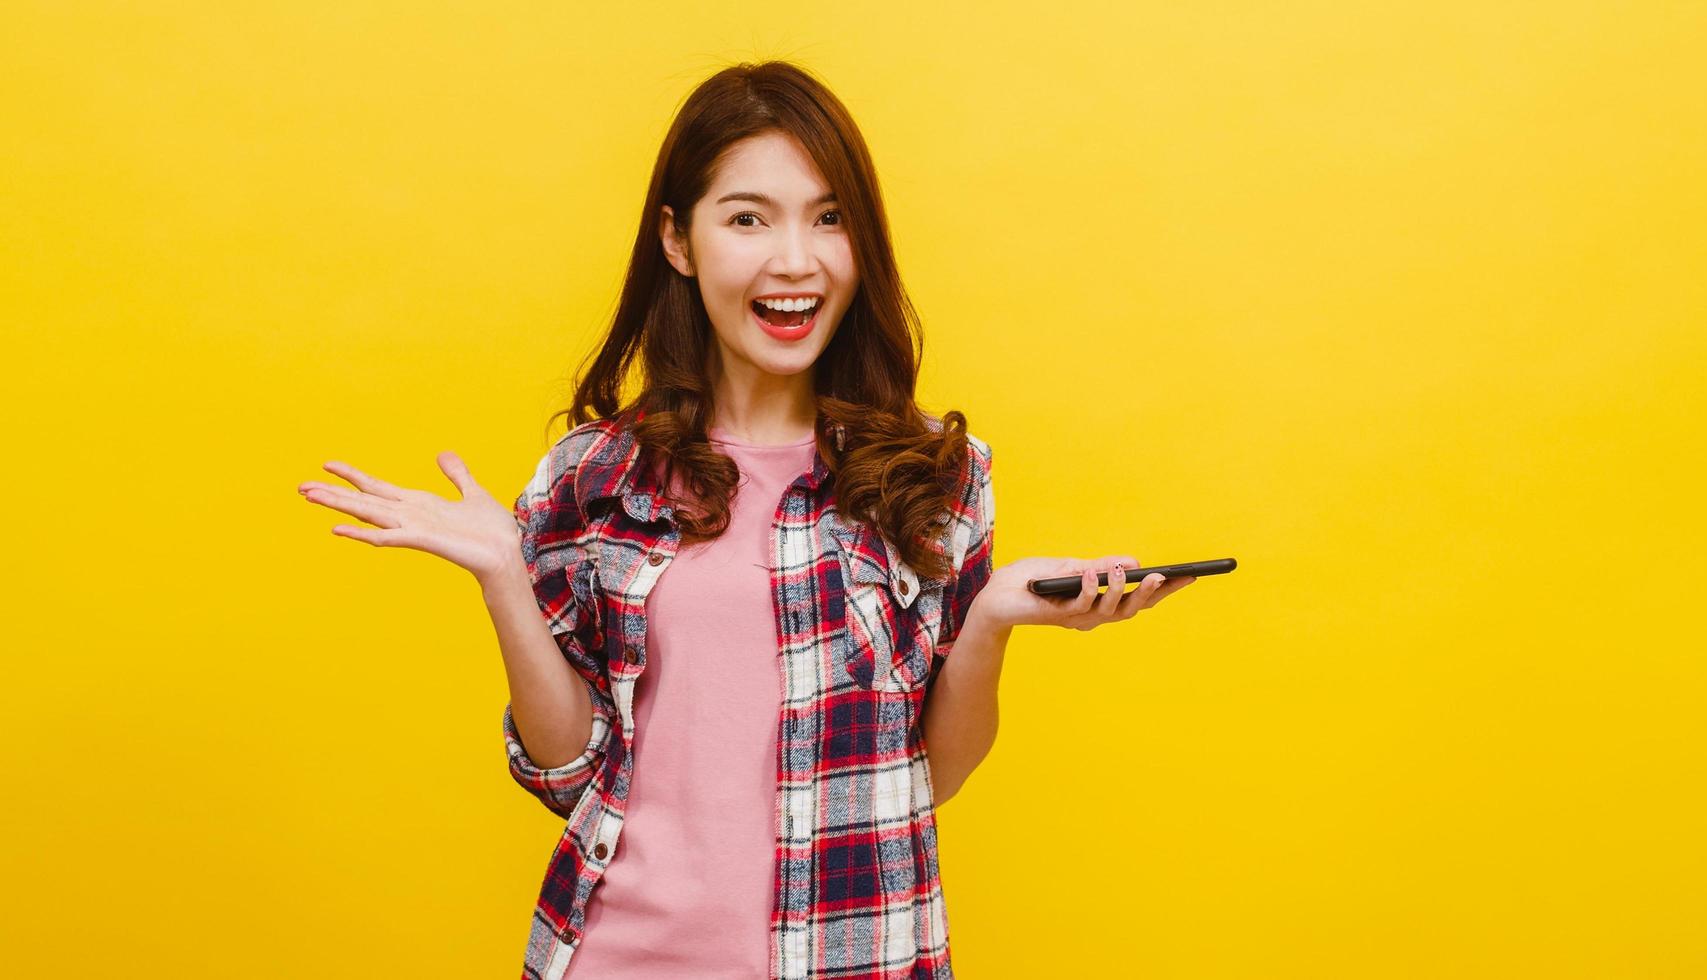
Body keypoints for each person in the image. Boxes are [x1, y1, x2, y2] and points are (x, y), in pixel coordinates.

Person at [297, 60, 1196, 980]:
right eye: (748, 218)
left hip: (854, 958)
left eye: (830, 216)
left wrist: (995, 617)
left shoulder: (934, 475)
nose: (796, 260)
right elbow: (570, 771)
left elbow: (931, 776)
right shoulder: (595, 475)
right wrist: (503, 581)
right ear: (678, 240)